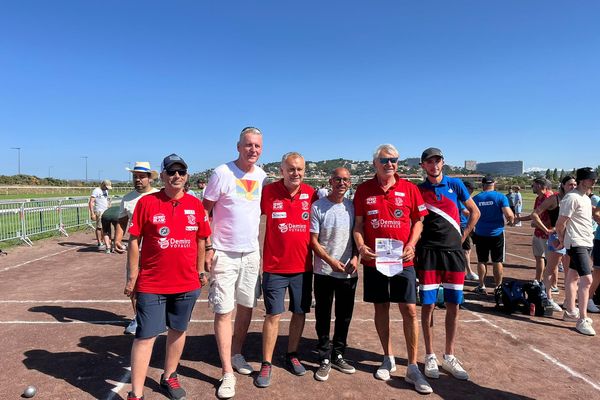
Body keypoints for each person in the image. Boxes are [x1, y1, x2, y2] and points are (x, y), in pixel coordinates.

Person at [124, 154, 211, 400]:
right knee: (145, 336)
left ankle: (169, 375)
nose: (176, 177)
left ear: (187, 176)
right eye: (171, 172)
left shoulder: (195, 205)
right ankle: (136, 394)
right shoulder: (147, 203)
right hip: (152, 283)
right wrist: (133, 278)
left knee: (177, 330)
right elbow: (134, 241)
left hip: (186, 283)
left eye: (181, 172)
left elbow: (201, 239)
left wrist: (201, 271)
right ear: (161, 176)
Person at [353, 144, 432, 394]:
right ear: (375, 163)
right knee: (381, 307)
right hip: (376, 259)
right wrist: (361, 245)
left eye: (394, 160)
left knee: (409, 309)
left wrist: (411, 243)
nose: (390, 164)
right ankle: (387, 357)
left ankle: (412, 365)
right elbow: (358, 225)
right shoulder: (364, 189)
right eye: (385, 160)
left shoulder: (409, 188)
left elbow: (419, 221)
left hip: (403, 259)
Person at [202, 127, 267, 399]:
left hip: (251, 252)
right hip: (224, 252)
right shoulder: (222, 173)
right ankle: (227, 372)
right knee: (224, 311)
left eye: (257, 146)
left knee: (247, 306)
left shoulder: (262, 175)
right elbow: (204, 212)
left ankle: (237, 352)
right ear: (238, 146)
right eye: (248, 145)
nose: (253, 150)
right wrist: (207, 246)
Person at [416, 147, 480, 384]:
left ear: (443, 163)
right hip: (429, 253)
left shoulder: (456, 185)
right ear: (423, 166)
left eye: (437, 161)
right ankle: (430, 355)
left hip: (453, 253)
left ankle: (449, 356)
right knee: (428, 305)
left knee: (454, 304)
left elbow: (474, 212)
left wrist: (462, 237)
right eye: (429, 162)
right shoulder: (419, 190)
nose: (434, 165)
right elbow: (416, 220)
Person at [254, 152, 317, 389]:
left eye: (300, 169)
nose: (296, 173)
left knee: (299, 313)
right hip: (274, 267)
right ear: (282, 170)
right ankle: (267, 362)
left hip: (303, 267)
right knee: (273, 315)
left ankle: (292, 354)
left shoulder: (311, 194)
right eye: (291, 169)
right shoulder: (268, 192)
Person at [310, 167, 358, 382]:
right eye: (337, 179)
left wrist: (356, 258)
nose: (341, 183)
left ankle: (338, 354)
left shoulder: (353, 207)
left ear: (350, 183)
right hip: (324, 272)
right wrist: (330, 261)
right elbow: (313, 241)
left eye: (345, 180)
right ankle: (324, 355)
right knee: (322, 315)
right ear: (330, 181)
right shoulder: (318, 207)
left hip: (348, 272)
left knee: (344, 316)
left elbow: (359, 236)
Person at [114, 161, 159, 335]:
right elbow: (123, 220)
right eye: (135, 177)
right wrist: (118, 238)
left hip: (157, 249)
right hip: (135, 248)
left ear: (150, 179)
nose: (138, 180)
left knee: (158, 284)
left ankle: (159, 317)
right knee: (133, 283)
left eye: (141, 177)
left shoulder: (159, 195)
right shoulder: (127, 198)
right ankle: (138, 318)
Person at [556, 167, 598, 335]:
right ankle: (582, 319)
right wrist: (561, 239)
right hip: (576, 242)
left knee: (572, 276)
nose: (594, 181)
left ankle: (570, 311)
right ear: (582, 180)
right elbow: (560, 223)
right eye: (591, 179)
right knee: (587, 280)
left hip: (586, 241)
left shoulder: (586, 198)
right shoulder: (571, 198)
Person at [530, 176, 577, 310]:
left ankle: (569, 301)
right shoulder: (554, 199)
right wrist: (547, 229)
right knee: (551, 268)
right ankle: (548, 298)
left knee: (570, 271)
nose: (573, 187)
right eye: (570, 184)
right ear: (562, 185)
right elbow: (535, 214)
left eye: (574, 184)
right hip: (556, 237)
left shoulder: (576, 198)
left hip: (572, 237)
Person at [472, 176, 514, 293]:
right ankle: (498, 287)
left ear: (483, 185)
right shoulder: (500, 197)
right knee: (497, 261)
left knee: (481, 260)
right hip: (497, 233)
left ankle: (481, 285)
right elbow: (509, 214)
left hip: (480, 233)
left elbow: (468, 212)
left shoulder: (476, 198)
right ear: (494, 184)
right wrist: (510, 221)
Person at [515, 178, 554, 283]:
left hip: (548, 234)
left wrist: (539, 225)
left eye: (534, 185)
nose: (532, 187)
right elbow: (533, 215)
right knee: (539, 257)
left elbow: (553, 219)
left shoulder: (549, 198)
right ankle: (538, 280)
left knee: (551, 261)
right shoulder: (538, 198)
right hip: (538, 233)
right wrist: (519, 218)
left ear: (541, 186)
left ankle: (553, 284)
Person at [459, 180, 479, 281]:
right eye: (470, 189)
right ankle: (468, 272)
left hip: (465, 225)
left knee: (467, 250)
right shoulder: (461, 198)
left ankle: (466, 271)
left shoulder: (465, 198)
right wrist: (476, 215)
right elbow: (466, 212)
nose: (471, 191)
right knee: (466, 250)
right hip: (462, 226)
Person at [89, 179, 112, 249]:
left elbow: (106, 199)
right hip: (99, 211)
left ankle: (104, 240)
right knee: (99, 227)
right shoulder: (96, 191)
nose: (107, 189)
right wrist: (92, 213)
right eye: (106, 187)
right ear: (103, 185)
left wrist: (108, 204)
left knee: (105, 227)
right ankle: (99, 242)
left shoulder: (106, 191)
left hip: (105, 211)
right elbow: (91, 202)